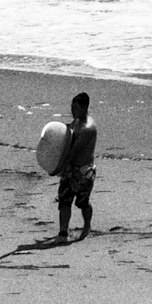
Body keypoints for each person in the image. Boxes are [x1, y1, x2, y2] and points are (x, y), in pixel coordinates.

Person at [55, 90, 99, 242]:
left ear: (85, 107)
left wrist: (58, 168)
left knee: (82, 202)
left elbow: (73, 151)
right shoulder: (77, 121)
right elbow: (67, 133)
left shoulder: (88, 128)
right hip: (70, 168)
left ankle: (87, 226)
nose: (72, 111)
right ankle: (62, 232)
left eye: (76, 108)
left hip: (84, 171)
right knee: (64, 200)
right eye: (71, 108)